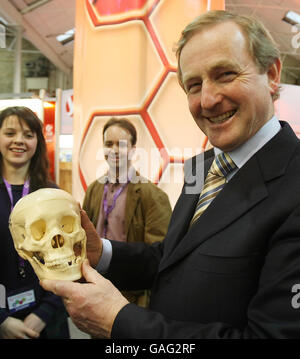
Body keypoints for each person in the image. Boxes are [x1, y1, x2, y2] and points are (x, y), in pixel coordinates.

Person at [41, 10, 300, 338]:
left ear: (272, 73)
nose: (208, 99)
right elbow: (171, 257)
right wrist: (102, 253)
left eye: (225, 74)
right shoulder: (201, 166)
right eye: (194, 85)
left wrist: (119, 322)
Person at [82, 117, 172, 306]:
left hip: (130, 296)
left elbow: (158, 256)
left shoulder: (153, 196)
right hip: (95, 287)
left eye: (121, 144)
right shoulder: (93, 190)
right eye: (109, 144)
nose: (114, 150)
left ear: (132, 150)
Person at [0, 106, 69, 339]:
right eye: (10, 133)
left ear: (38, 142)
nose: (19, 141)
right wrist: (1, 319)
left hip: (48, 320)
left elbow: (67, 260)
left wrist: (44, 313)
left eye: (28, 135)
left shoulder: (52, 195)